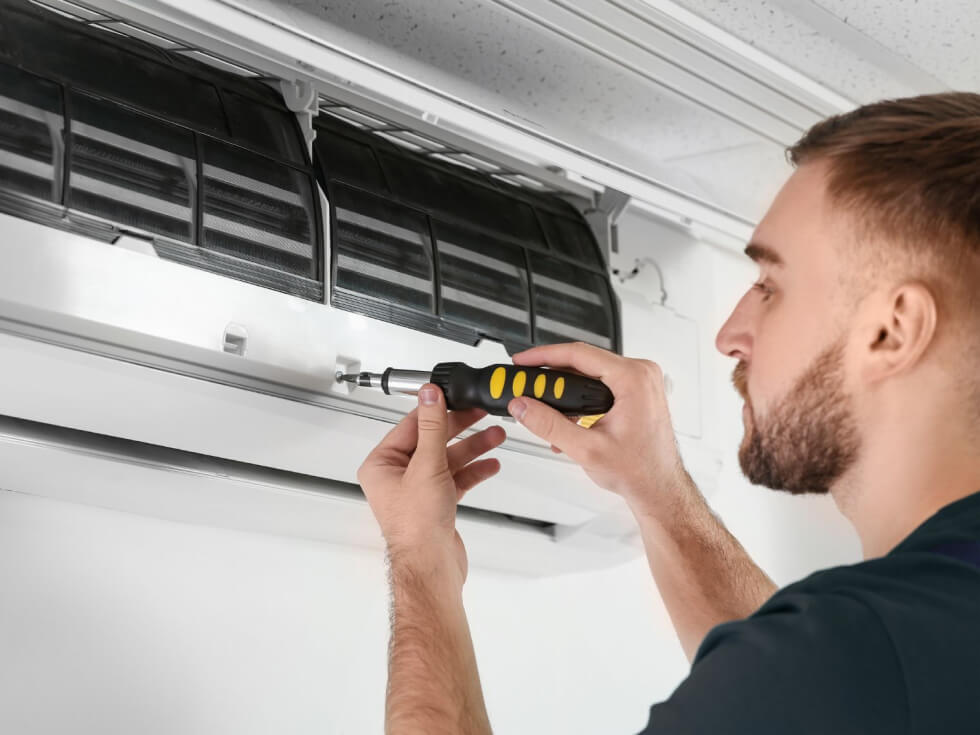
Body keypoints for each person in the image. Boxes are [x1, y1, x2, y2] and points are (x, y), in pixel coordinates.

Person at [356, 92, 980, 734]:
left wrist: (420, 563)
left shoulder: (849, 654)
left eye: (770, 287)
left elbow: (814, 681)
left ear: (893, 330)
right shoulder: (900, 646)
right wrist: (655, 487)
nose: (731, 334)